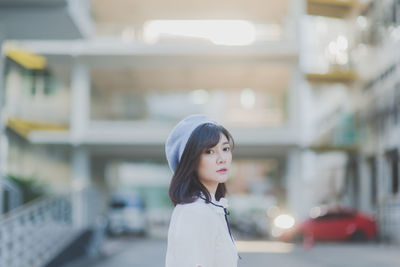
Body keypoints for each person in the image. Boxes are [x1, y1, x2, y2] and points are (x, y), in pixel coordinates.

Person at [165, 114, 240, 267]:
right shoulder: (196, 212)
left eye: (225, 149)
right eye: (209, 152)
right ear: (191, 160)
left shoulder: (208, 208)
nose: (222, 158)